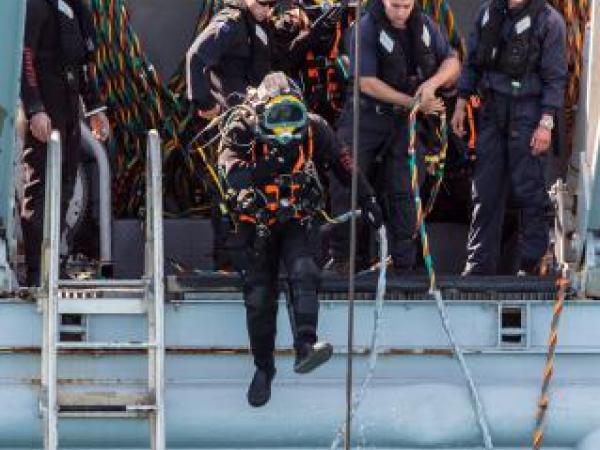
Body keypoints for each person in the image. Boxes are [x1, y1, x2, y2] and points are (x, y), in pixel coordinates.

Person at [218, 72, 382, 407]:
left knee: (305, 270)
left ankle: (305, 345)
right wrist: (268, 166)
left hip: (297, 216)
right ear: (261, 112)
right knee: (259, 294)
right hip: (255, 223)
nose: (285, 130)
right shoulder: (241, 129)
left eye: (291, 117)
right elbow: (230, 174)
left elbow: (344, 164)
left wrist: (368, 200)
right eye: (276, 119)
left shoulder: (314, 128)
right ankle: (264, 367)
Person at [327, 0, 460, 274]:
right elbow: (366, 81)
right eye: (395, 6)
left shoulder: (424, 25)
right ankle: (344, 260)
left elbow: (452, 61)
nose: (401, 12)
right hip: (365, 119)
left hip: (403, 123)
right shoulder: (364, 28)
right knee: (347, 185)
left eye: (406, 6)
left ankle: (404, 264)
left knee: (405, 190)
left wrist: (431, 85)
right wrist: (414, 102)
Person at [451, 0, 567, 275]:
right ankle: (479, 264)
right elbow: (472, 64)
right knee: (485, 189)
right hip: (492, 112)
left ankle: (531, 263)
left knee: (529, 190)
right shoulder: (487, 12)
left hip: (529, 113)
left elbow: (556, 78)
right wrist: (460, 101)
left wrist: (546, 124)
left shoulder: (549, 21)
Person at [20, 0, 109, 287]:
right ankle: (37, 272)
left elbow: (84, 61)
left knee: (66, 185)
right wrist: (35, 108)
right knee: (41, 187)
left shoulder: (77, 8)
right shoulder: (36, 5)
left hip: (69, 107)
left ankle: (53, 264)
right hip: (46, 106)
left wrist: (95, 109)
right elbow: (25, 54)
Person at [186, 0, 276, 270]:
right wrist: (205, 103)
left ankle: (256, 261)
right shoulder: (232, 22)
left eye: (274, 4)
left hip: (258, 125)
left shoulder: (258, 24)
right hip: (233, 125)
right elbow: (196, 56)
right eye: (263, 3)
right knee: (230, 195)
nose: (268, 9)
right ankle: (228, 263)